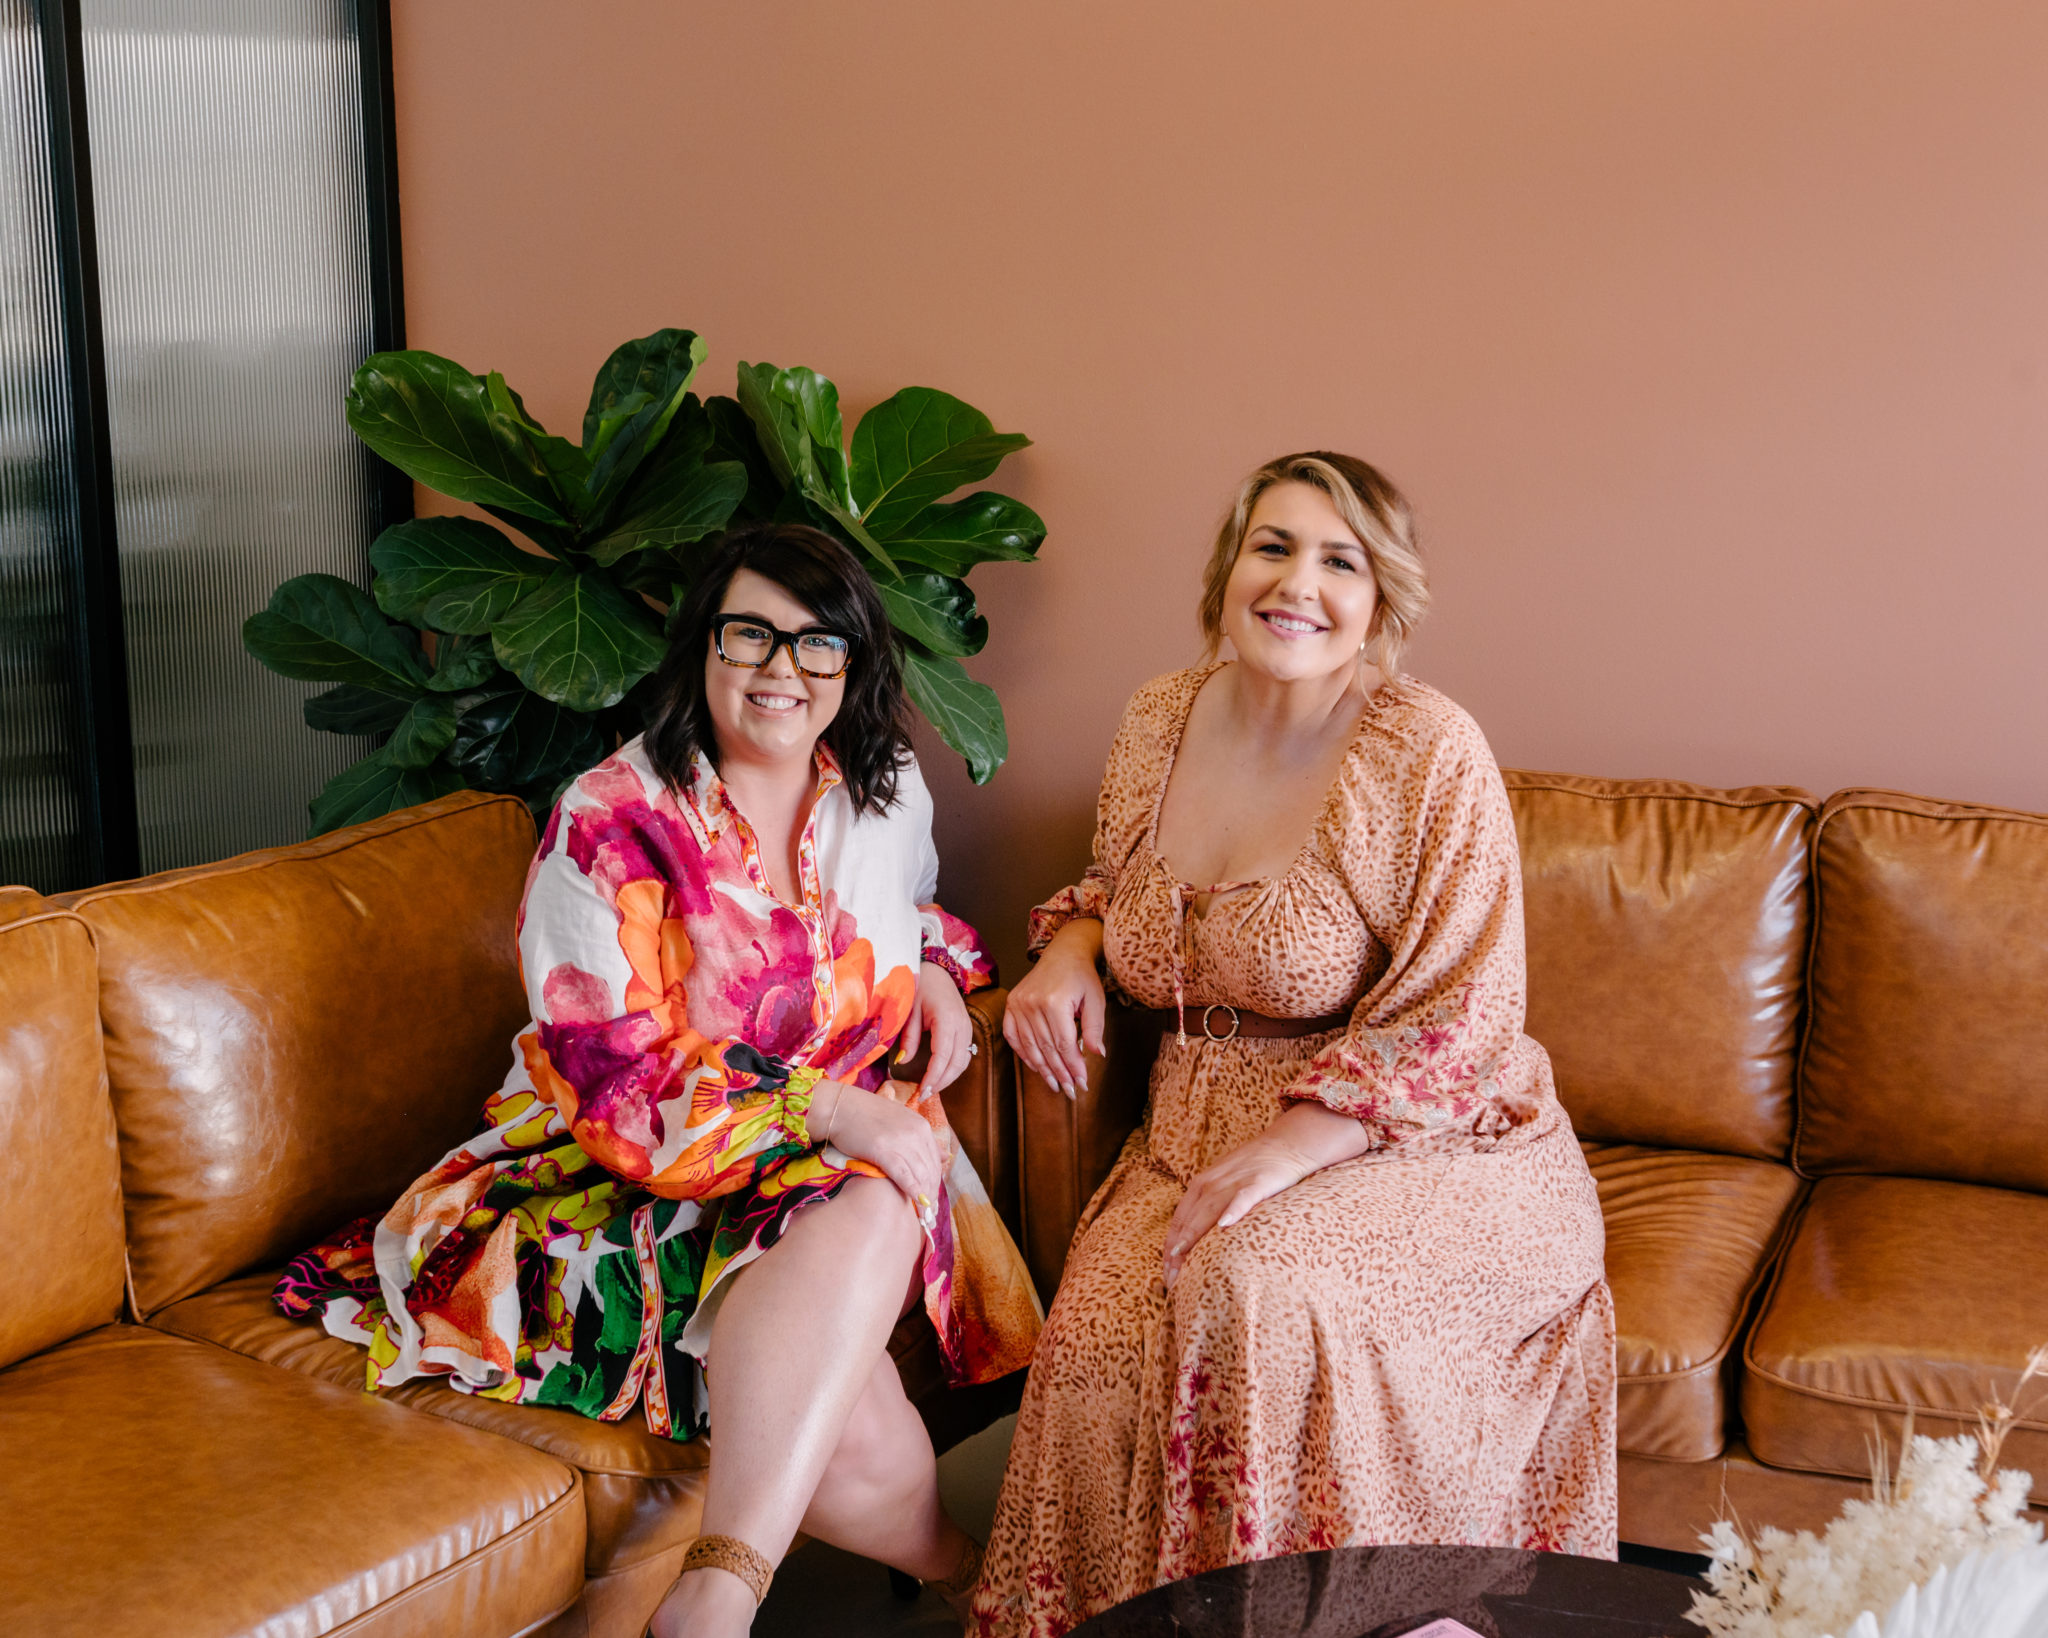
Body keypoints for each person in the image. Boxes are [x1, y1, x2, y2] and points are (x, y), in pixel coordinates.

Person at [275, 522, 1042, 1638]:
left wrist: (933, 966)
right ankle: (892, 1588)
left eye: (817, 643)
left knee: (869, 1201)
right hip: (623, 1178)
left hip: (819, 1169)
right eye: (750, 635)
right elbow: (617, 1086)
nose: (783, 669)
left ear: (853, 664)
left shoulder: (882, 788)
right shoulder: (609, 821)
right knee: (878, 1210)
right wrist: (832, 1107)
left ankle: (856, 1589)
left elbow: (904, 904)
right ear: (700, 648)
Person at [977, 454, 1616, 1637]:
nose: (1296, 584)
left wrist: (1292, 1144)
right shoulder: (1157, 717)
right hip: (1187, 1133)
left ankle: (1345, 1621)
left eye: (1339, 561)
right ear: (1227, 569)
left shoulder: (1425, 747)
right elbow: (1119, 888)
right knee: (1098, 1333)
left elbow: (1465, 1010)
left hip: (1420, 1138)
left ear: (1382, 599)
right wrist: (1068, 946)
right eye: (1271, 547)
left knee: (1256, 1289)